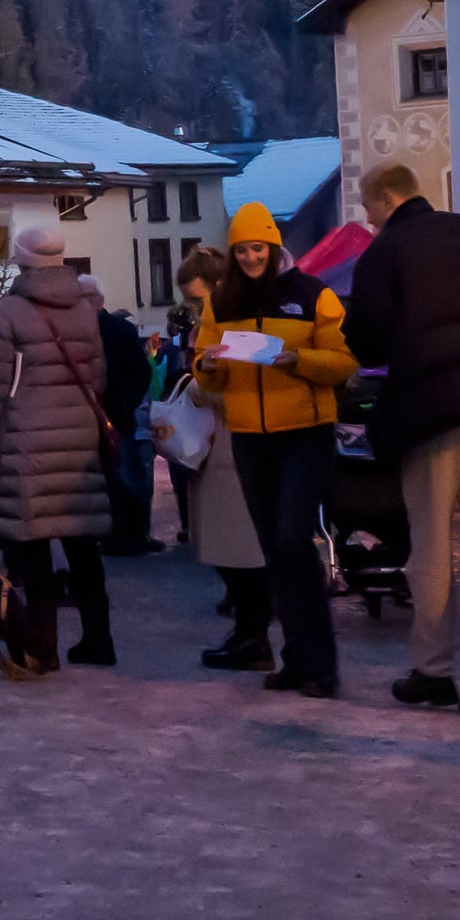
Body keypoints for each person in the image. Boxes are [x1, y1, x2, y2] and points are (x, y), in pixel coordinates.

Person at [345, 162, 460, 720]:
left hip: (430, 412)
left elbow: (366, 341)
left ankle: (432, 671)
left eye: (367, 208)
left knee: (430, 545)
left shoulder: (384, 253)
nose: (367, 219)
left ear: (384, 200)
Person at [194, 201, 356, 700]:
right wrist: (211, 366)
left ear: (273, 247)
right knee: (273, 550)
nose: (249, 258)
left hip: (305, 432)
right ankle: (296, 659)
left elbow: (344, 361)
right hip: (249, 436)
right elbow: (200, 363)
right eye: (241, 250)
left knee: (291, 541)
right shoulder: (220, 302)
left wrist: (296, 360)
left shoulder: (313, 294)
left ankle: (321, 664)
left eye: (257, 248)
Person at [0, 228, 114, 672]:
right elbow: (97, 378)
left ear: (21, 259)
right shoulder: (86, 309)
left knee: (33, 551)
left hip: (25, 443)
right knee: (84, 548)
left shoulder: (9, 311)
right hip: (77, 441)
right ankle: (99, 640)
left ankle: (42, 647)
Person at [173, 246, 272, 672]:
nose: (193, 309)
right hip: (222, 446)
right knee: (229, 546)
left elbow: (243, 389)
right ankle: (247, 632)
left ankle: (253, 637)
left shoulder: (235, 325)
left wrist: (196, 389)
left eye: (197, 299)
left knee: (240, 547)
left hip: (234, 443)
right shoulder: (221, 322)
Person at [93, 281, 161, 556]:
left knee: (126, 475)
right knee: (116, 477)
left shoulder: (118, 330)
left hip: (118, 416)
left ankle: (132, 535)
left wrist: (125, 403)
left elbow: (142, 372)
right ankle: (120, 533)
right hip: (101, 414)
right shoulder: (86, 330)